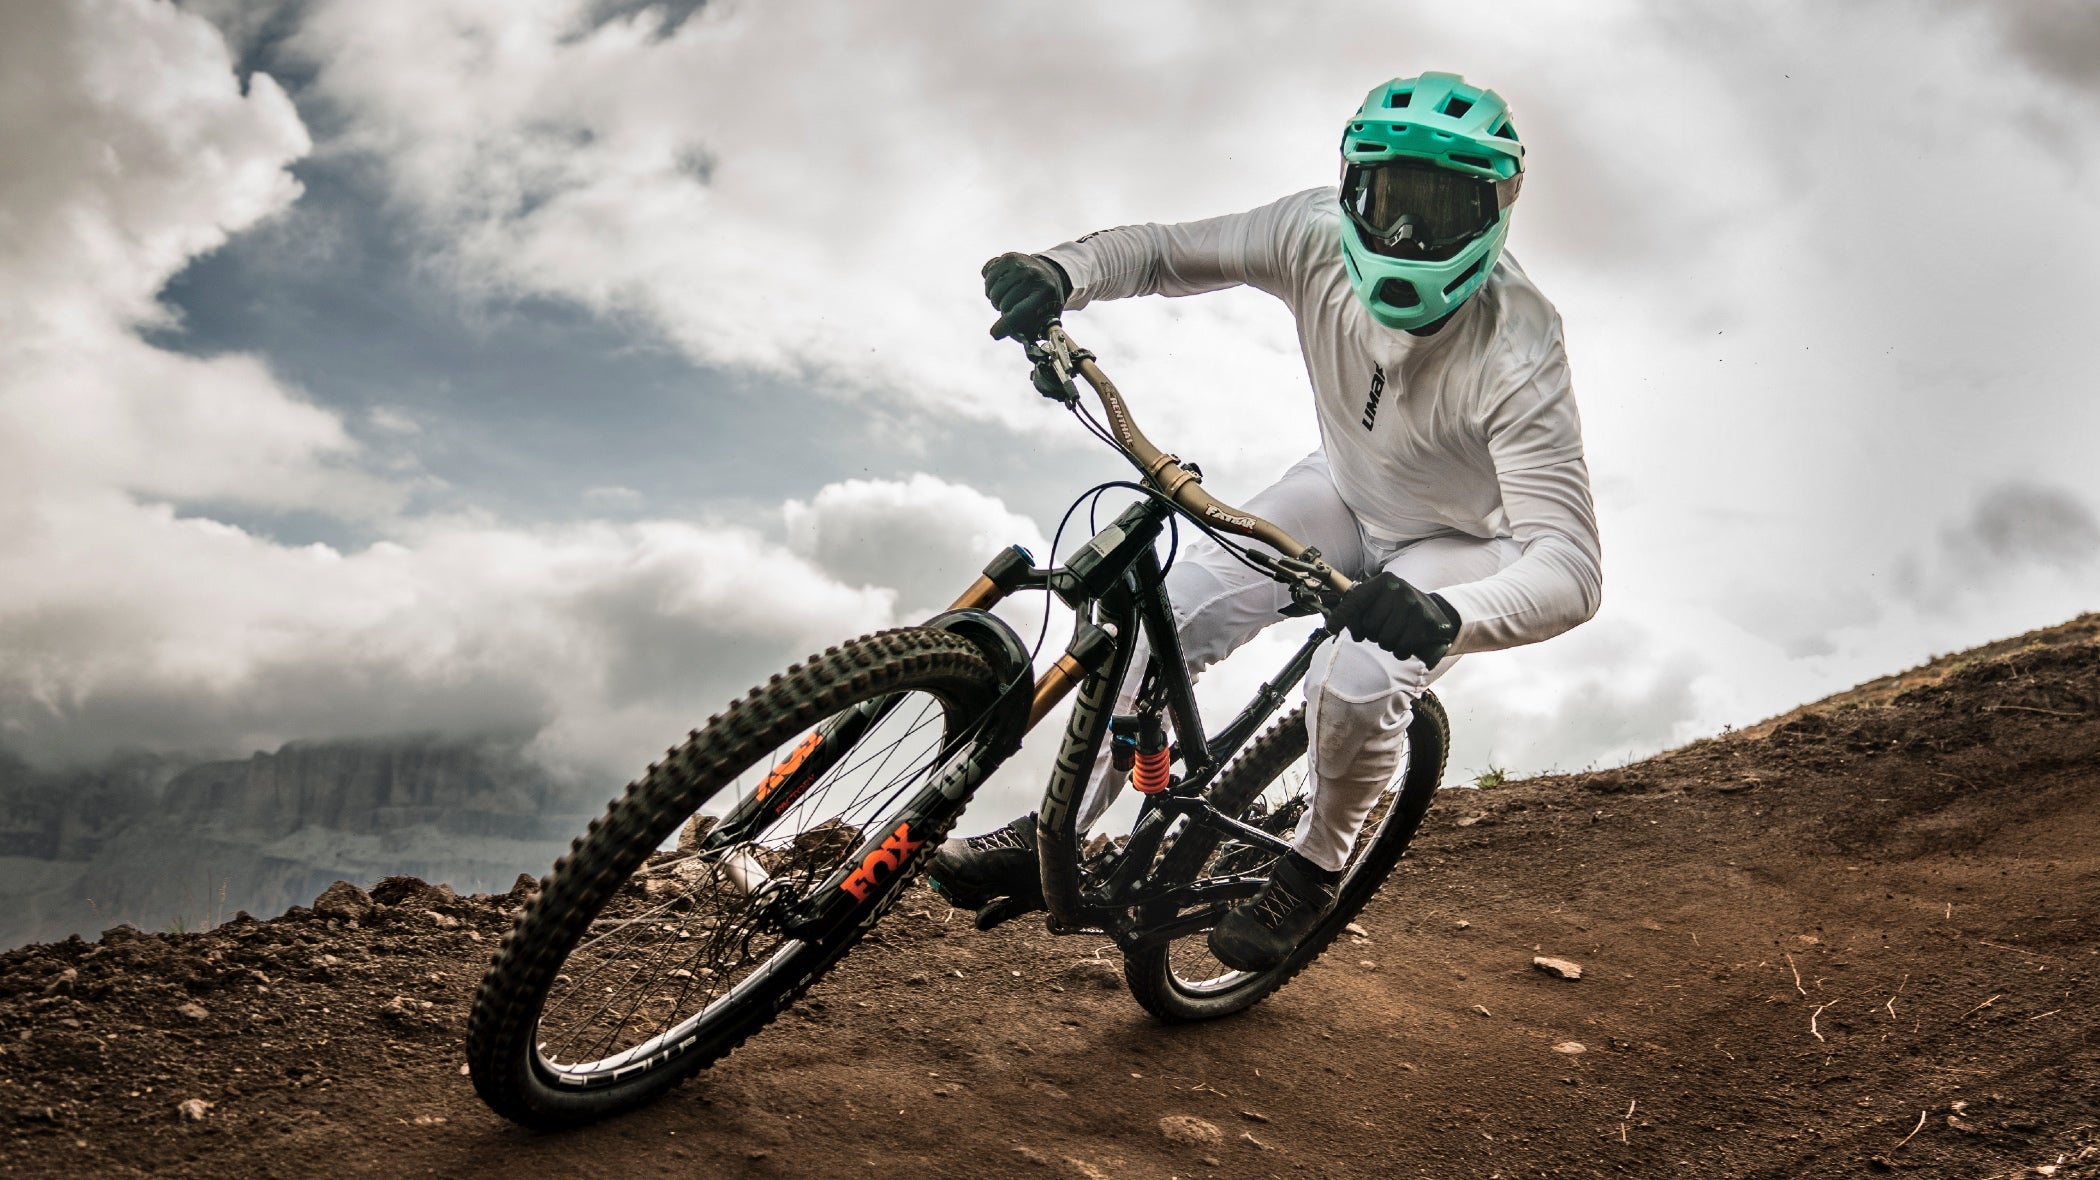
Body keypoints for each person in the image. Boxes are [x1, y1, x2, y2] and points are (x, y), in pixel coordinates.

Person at [930, 72, 1602, 973]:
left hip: (1457, 542)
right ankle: (1054, 832)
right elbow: (1168, 251)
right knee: (1169, 614)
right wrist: (1063, 270)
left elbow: (1571, 563)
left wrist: (1451, 616)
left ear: (1496, 210)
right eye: (1389, 201)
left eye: (1439, 209)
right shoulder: (1309, 234)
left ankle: (1315, 868)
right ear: (1350, 187)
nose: (1404, 237)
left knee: (1360, 682)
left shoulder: (1521, 349)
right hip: (1341, 488)